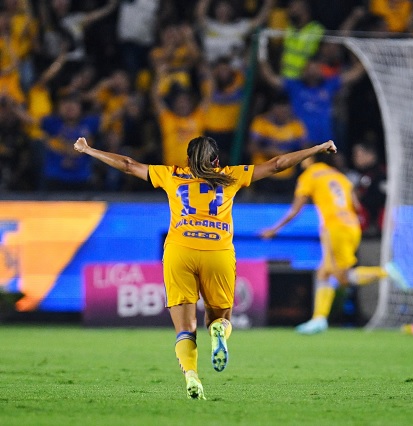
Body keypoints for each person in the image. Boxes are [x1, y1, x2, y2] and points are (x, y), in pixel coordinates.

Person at [73, 134, 337, 400]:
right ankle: (217, 330)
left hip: (179, 252)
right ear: (216, 160)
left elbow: (128, 164)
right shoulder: (231, 176)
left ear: (187, 160)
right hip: (218, 252)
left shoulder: (171, 175)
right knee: (220, 318)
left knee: (185, 328)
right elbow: (278, 163)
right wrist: (316, 147)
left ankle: (191, 375)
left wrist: (89, 150)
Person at [260, 153, 407, 335]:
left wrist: (274, 229)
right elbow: (356, 205)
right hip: (352, 226)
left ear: (312, 159)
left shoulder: (310, 175)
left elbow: (295, 210)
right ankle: (319, 319)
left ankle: (386, 271)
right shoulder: (339, 176)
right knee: (326, 272)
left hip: (334, 228)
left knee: (341, 277)